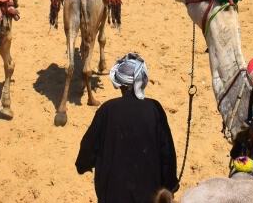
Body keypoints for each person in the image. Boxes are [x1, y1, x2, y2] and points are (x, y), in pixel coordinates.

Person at [76, 53, 179, 203]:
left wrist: (83, 164)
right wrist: (171, 185)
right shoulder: (154, 109)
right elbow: (167, 153)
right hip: (149, 197)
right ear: (143, 80)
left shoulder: (107, 110)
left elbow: (88, 147)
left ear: (119, 82)